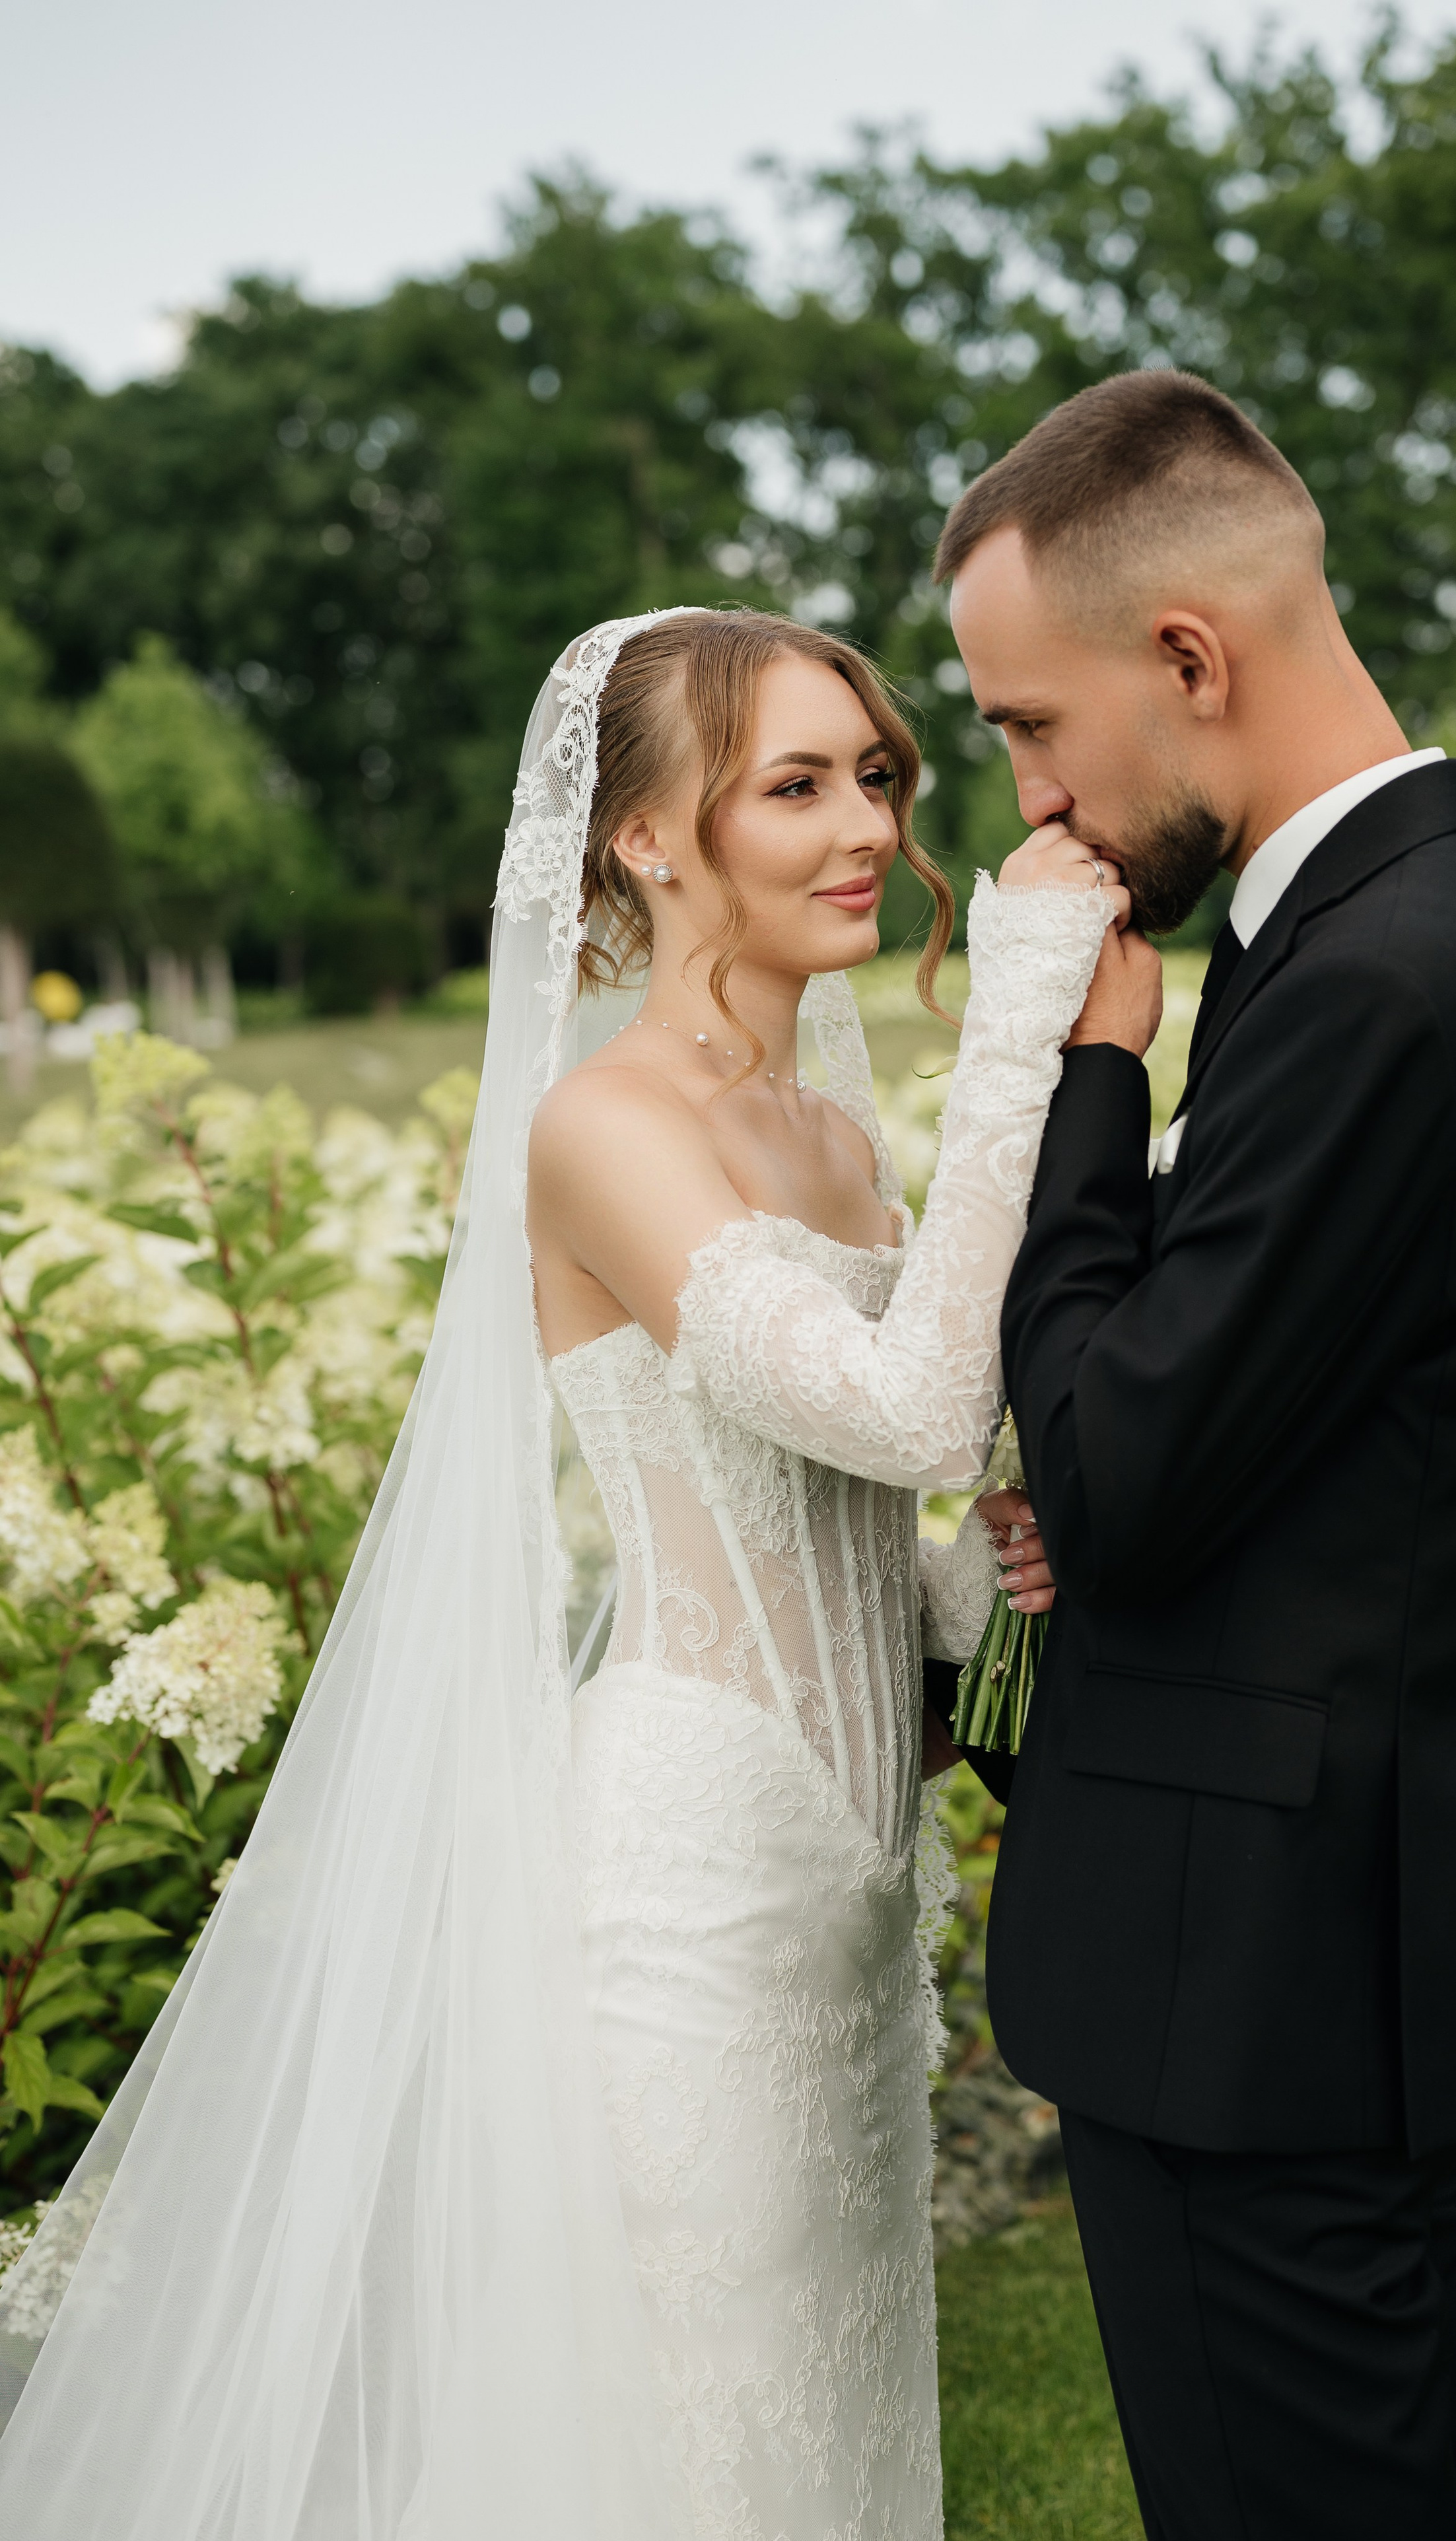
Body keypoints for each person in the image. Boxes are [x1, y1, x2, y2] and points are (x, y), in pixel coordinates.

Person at [0, 603, 1113, 2541]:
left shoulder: (831, 1133)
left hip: (849, 1900)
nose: (866, 825)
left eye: (875, 777)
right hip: (688, 1893)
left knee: (820, 2423)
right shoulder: (603, 1130)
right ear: (648, 840)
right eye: (795, 785)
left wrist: (974, 1594)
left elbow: (870, 1517)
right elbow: (920, 1402)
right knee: (683, 2452)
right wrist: (1023, 1015)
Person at [936, 370, 1456, 2541]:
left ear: (1187, 660)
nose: (1040, 812)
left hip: (1266, 1985)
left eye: (1033, 730)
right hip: (1341, 1957)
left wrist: (1081, 1091)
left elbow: (1115, 1464)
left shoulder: (1380, 988)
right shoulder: (1408, 945)